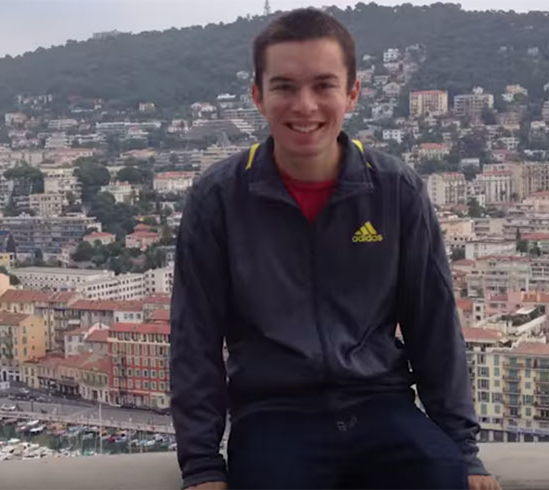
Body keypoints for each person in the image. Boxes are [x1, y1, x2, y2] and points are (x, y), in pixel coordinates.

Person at [170, 8, 501, 490]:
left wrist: (464, 452)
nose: (304, 105)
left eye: (323, 85)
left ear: (352, 94)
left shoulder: (395, 189)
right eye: (284, 86)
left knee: (441, 477)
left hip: (382, 405)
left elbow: (433, 322)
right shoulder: (218, 198)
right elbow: (194, 338)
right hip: (273, 416)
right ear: (258, 97)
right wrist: (201, 466)